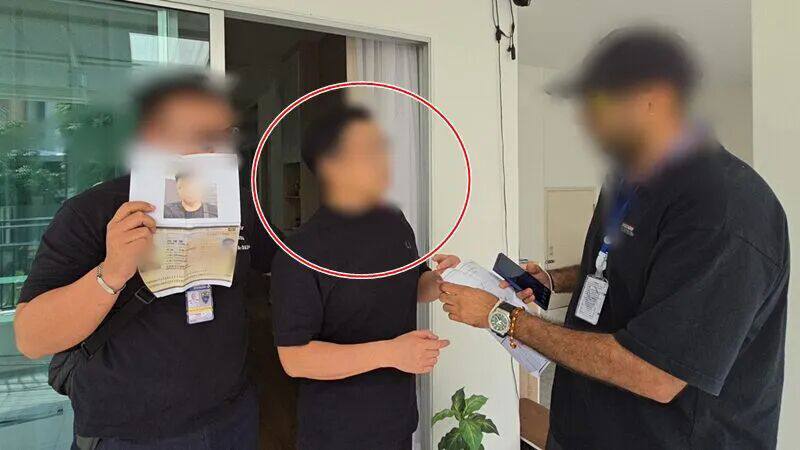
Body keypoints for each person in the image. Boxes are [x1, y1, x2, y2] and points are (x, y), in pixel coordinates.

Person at [439, 27, 788, 450]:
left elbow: (654, 374)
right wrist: (551, 280)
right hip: (582, 428)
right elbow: (622, 264)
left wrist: (504, 318)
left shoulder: (726, 212)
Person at [13, 73, 278, 449]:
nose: (218, 151)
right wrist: (111, 272)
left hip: (231, 417)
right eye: (203, 136)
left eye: (225, 136)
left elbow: (284, 260)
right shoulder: (91, 213)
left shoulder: (239, 206)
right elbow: (31, 338)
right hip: (130, 433)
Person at [270, 106, 460, 450]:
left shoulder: (394, 220)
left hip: (398, 420)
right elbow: (295, 358)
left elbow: (412, 285)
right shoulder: (299, 251)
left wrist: (440, 280)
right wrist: (392, 353)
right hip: (339, 434)